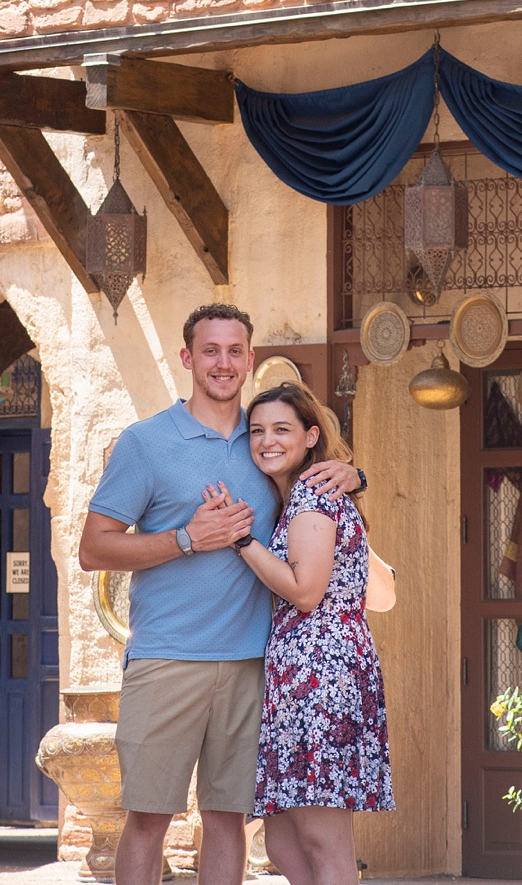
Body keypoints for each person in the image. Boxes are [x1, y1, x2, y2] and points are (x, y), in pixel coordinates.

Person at [78, 304, 366, 885]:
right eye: (210, 351)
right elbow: (94, 550)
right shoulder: (145, 442)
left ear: (250, 359)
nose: (223, 363)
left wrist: (356, 474)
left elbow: (319, 495)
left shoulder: (265, 442)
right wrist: (187, 538)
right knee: (148, 820)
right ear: (188, 358)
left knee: (228, 819)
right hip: (167, 658)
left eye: (235, 351)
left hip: (252, 663)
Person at [214, 381, 394, 885]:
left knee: (321, 839)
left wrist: (242, 540)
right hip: (299, 671)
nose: (267, 440)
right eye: (257, 431)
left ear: (311, 436)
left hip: (322, 671)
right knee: (285, 841)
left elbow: (305, 590)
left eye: (282, 429)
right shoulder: (301, 493)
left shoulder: (313, 494)